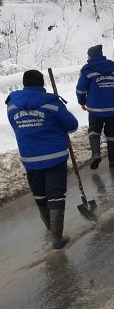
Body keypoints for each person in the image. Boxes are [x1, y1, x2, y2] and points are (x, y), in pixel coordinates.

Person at [6, 70, 79, 249]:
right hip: (54, 157)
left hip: (30, 158)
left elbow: (14, 124)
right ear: (42, 84)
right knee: (55, 194)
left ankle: (49, 226)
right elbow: (72, 125)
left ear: (24, 84)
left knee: (39, 192)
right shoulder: (52, 103)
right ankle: (57, 238)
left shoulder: (12, 104)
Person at [76, 44, 114, 169]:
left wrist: (81, 102)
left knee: (94, 131)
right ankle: (113, 160)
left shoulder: (87, 69)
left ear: (90, 56)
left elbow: (80, 89)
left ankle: (96, 153)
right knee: (111, 133)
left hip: (95, 110)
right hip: (113, 109)